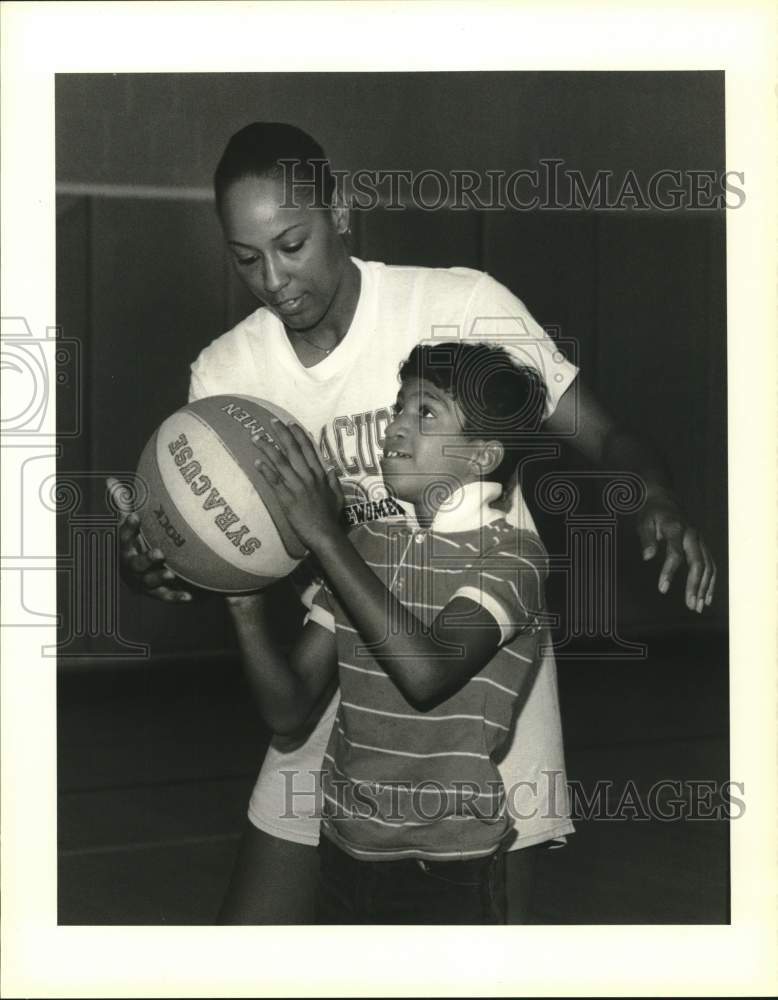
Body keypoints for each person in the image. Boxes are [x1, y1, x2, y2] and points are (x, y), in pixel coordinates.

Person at [109, 121, 717, 924]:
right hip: (343, 659)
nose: (274, 280)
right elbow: (214, 550)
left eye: (291, 244)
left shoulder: (460, 304)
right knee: (247, 947)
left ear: (342, 210)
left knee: (478, 953)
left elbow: (602, 434)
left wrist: (656, 499)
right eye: (246, 258)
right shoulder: (228, 373)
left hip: (477, 675)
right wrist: (152, 562)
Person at [228, 341, 552, 923]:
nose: (394, 428)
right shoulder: (366, 549)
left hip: (447, 866)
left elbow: (426, 673)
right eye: (398, 409)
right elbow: (288, 708)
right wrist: (241, 596)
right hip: (343, 848)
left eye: (425, 413)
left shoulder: (513, 558)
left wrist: (325, 538)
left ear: (482, 456)